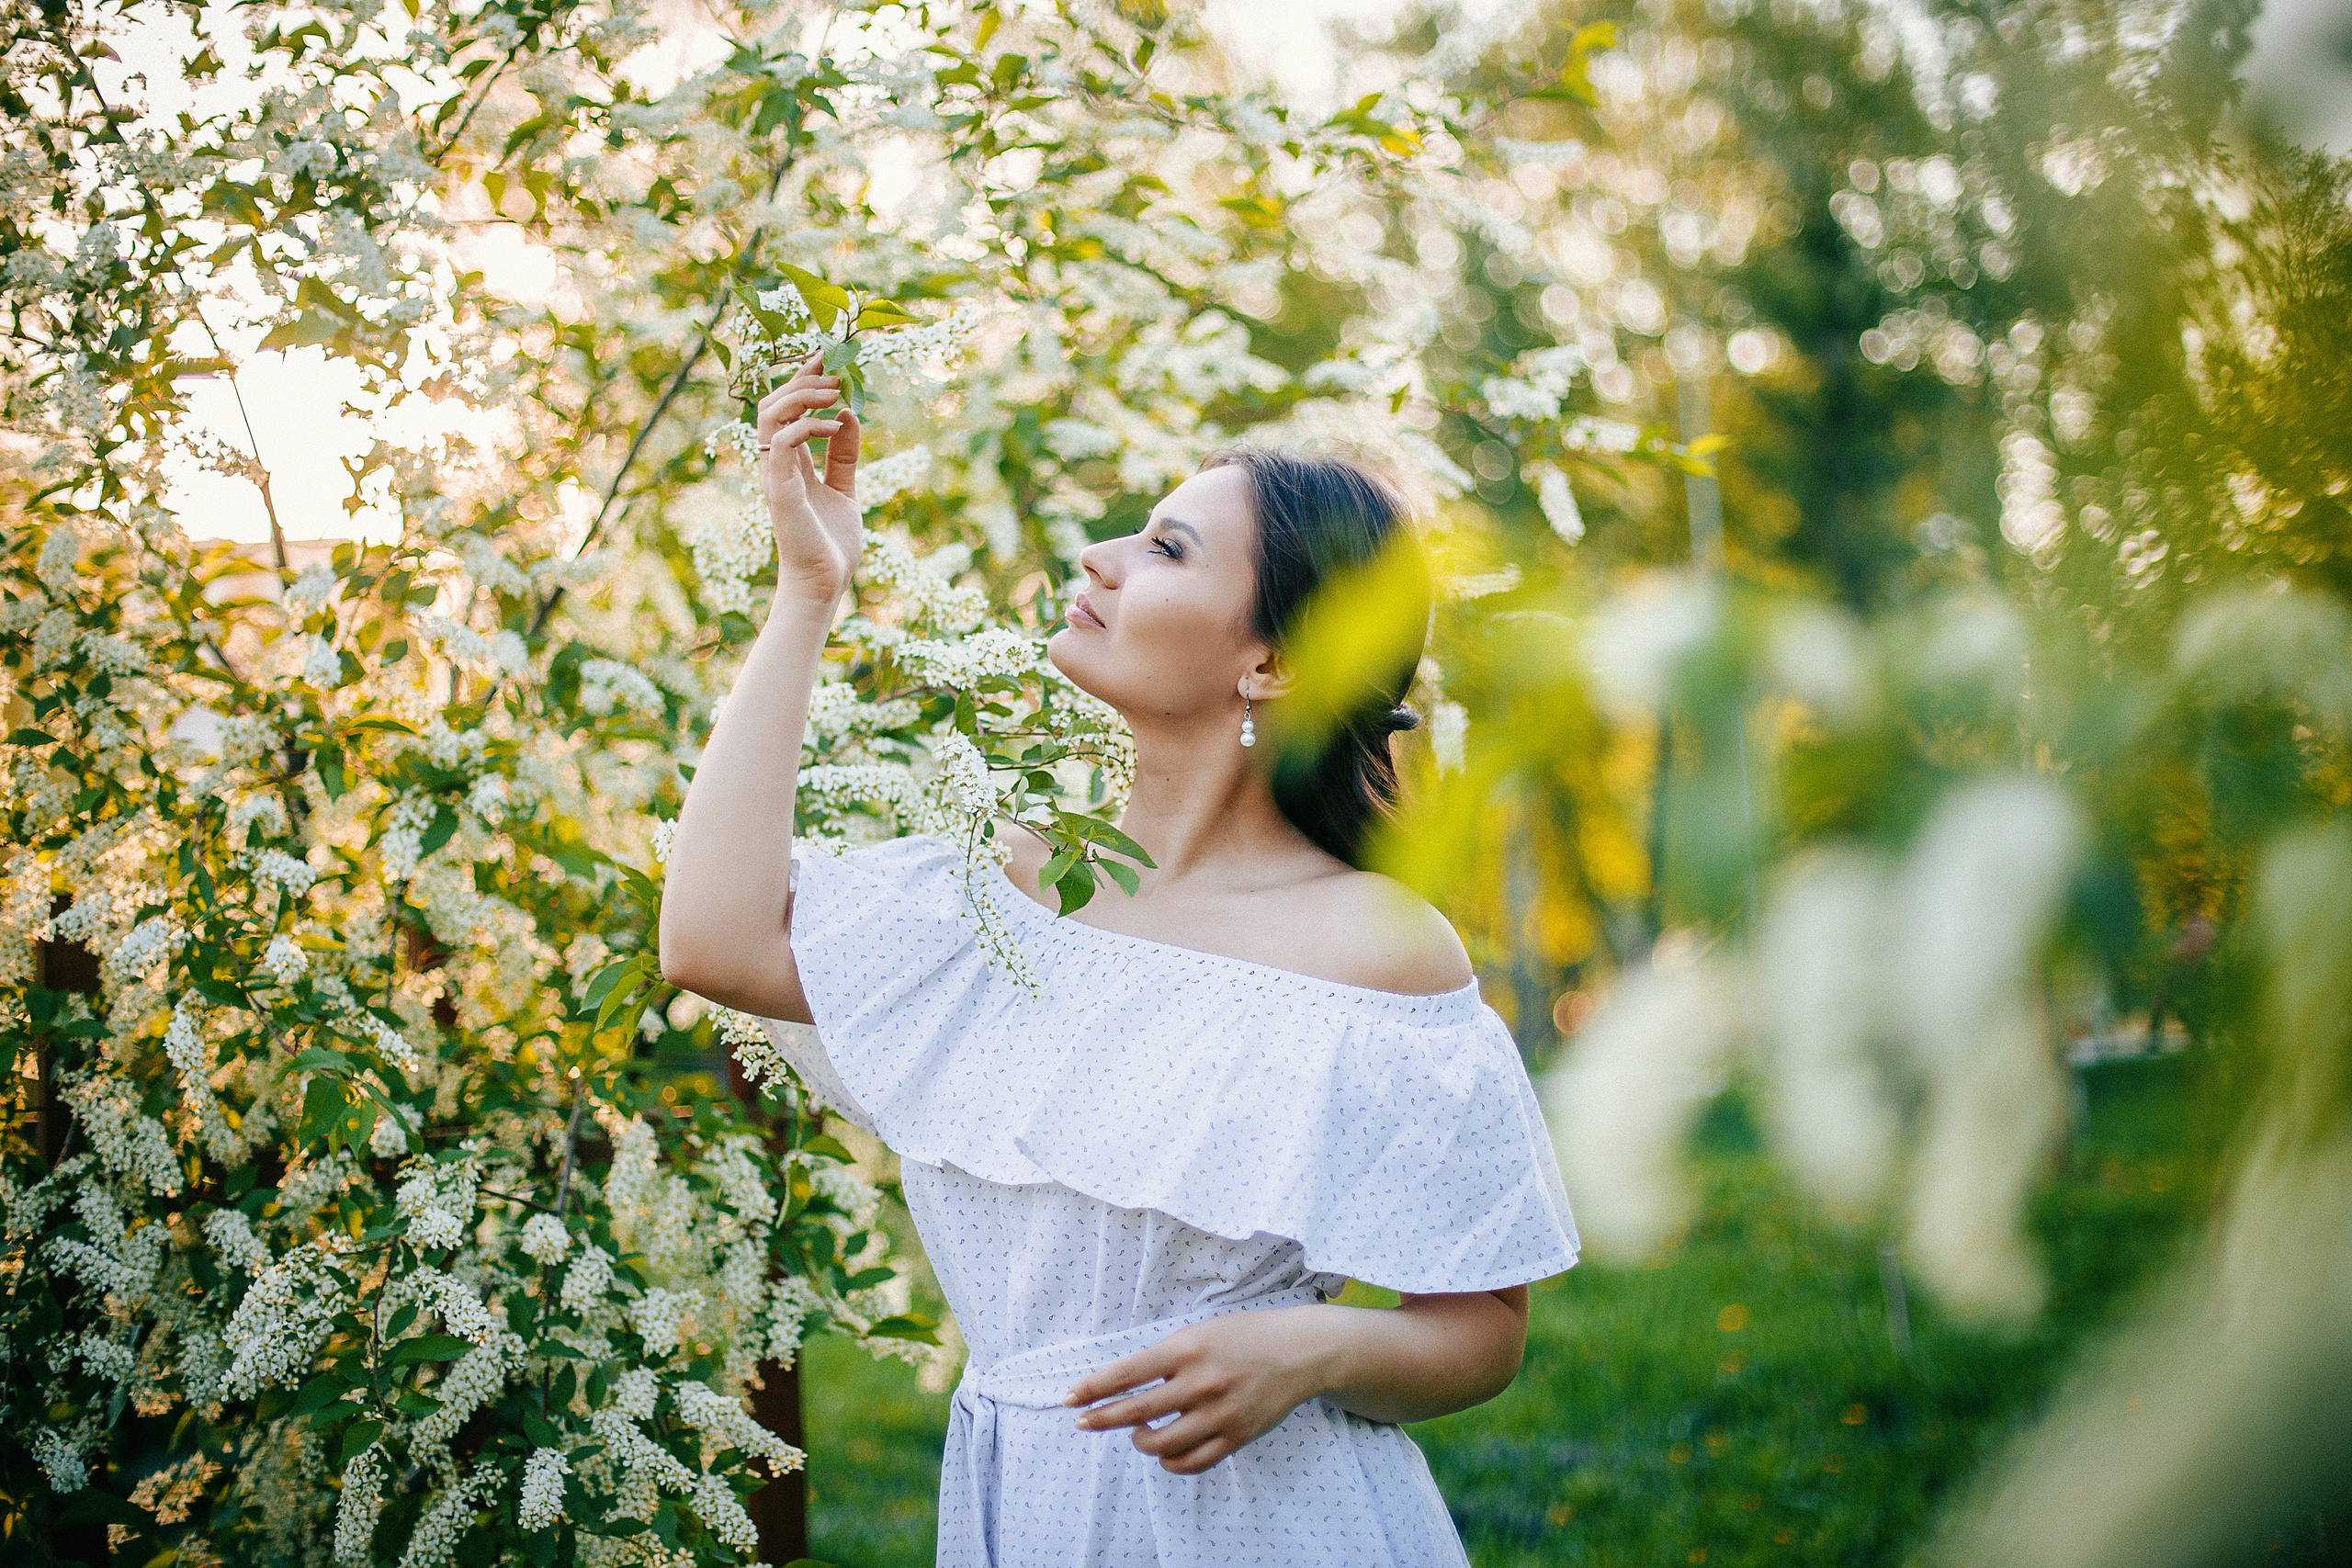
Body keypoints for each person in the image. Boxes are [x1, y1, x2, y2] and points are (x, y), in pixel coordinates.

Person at [661, 353, 1577, 1567]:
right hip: (1026, 1506)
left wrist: (1312, 1351)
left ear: (1275, 665)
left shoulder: (1374, 949)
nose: (1100, 556)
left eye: (1169, 550)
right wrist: (806, 592)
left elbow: (1481, 1330)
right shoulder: (1006, 893)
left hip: (1267, 1520)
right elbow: (714, 941)